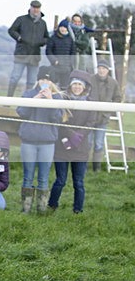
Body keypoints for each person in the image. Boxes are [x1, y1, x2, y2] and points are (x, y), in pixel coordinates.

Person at [16, 66, 65, 213]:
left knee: (43, 177)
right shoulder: (29, 94)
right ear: (38, 80)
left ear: (52, 82)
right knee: (28, 176)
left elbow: (57, 119)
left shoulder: (57, 98)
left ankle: (41, 209)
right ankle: (25, 209)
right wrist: (34, 100)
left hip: (47, 142)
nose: (45, 82)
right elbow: (22, 112)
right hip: (28, 141)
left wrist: (50, 101)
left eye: (48, 80)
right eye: (43, 79)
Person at [48, 71, 95, 214]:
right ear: (70, 85)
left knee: (78, 183)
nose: (77, 87)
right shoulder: (63, 99)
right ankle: (52, 205)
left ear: (84, 87)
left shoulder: (91, 103)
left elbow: (91, 122)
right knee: (60, 180)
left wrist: (79, 136)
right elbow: (60, 120)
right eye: (74, 84)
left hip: (81, 149)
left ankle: (78, 209)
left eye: (79, 85)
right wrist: (71, 135)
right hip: (62, 146)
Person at [6, 0, 49, 97]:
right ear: (30, 8)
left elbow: (47, 37)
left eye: (37, 8)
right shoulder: (21, 19)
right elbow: (11, 30)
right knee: (15, 78)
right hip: (21, 53)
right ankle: (8, 99)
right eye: (34, 7)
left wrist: (42, 42)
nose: (35, 10)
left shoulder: (43, 23)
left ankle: (27, 101)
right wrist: (19, 38)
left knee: (31, 81)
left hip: (35, 56)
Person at [88, 59, 122, 171]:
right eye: (100, 68)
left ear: (108, 70)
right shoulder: (90, 79)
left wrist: (109, 110)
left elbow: (117, 98)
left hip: (103, 119)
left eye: (104, 68)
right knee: (87, 143)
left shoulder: (113, 83)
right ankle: (82, 167)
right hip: (89, 118)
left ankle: (96, 168)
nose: (101, 70)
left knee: (98, 144)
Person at [45, 18, 76, 90]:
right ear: (59, 27)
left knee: (65, 86)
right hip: (55, 66)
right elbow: (48, 51)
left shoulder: (70, 39)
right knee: (53, 84)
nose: (63, 29)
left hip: (67, 67)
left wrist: (71, 63)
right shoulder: (53, 38)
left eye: (65, 28)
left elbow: (73, 52)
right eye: (62, 27)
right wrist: (54, 60)